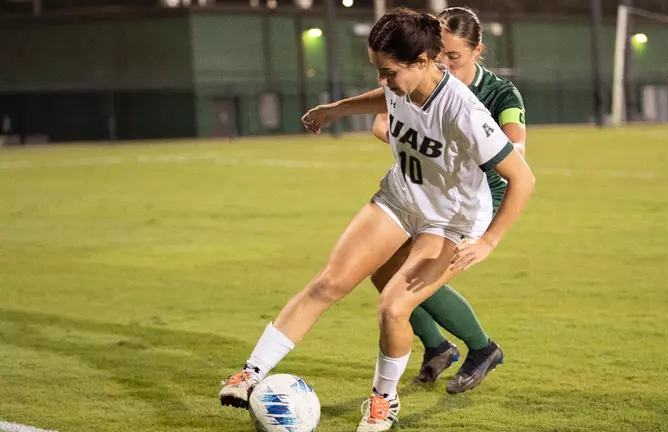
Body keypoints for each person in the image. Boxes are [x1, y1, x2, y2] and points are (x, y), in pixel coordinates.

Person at [219, 8, 535, 432]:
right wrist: (333, 111)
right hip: (400, 199)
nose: (383, 82)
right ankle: (250, 374)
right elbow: (383, 98)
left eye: (388, 72)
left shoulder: (464, 111)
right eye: (377, 71)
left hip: (449, 220)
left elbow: (523, 177)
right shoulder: (401, 86)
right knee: (329, 282)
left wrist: (490, 241)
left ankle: (383, 400)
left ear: (423, 61)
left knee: (392, 307)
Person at [368, 6, 528, 395]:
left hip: (473, 200)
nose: (446, 64)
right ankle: (438, 347)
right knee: (381, 272)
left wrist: (489, 237)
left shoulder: (498, 93)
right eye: (440, 56)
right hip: (429, 190)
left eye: (454, 57)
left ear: (478, 50)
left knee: (412, 284)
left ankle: (482, 348)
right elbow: (380, 125)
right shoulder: (423, 83)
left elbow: (516, 150)